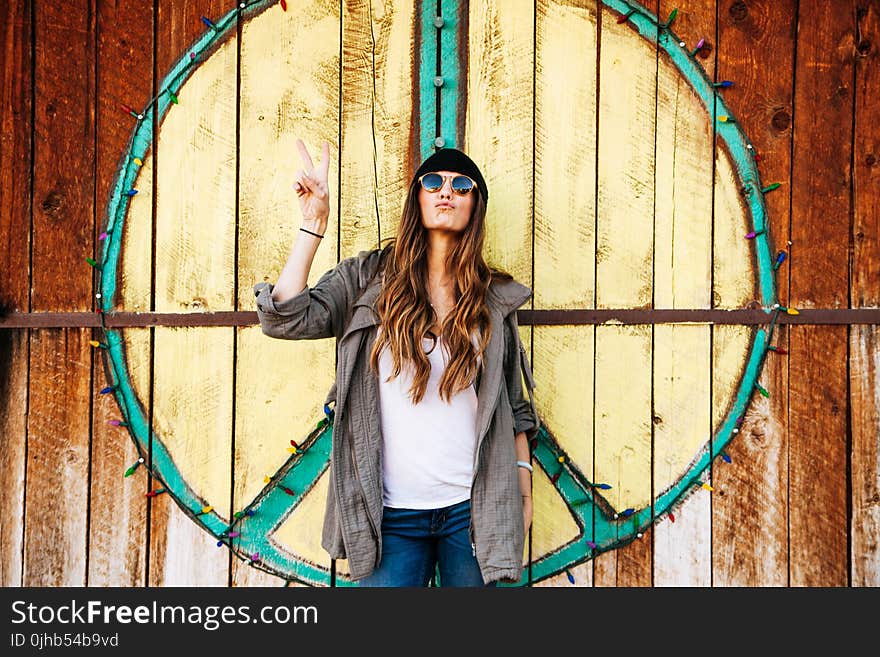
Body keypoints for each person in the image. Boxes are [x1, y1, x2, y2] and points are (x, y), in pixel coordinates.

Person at [253, 139, 539, 587]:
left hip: (474, 511)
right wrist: (313, 224)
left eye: (461, 185)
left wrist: (523, 492)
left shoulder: (492, 298)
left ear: (474, 207)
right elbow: (286, 319)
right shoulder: (367, 279)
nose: (447, 191)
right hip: (390, 516)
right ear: (417, 199)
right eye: (434, 181)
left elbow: (513, 407)